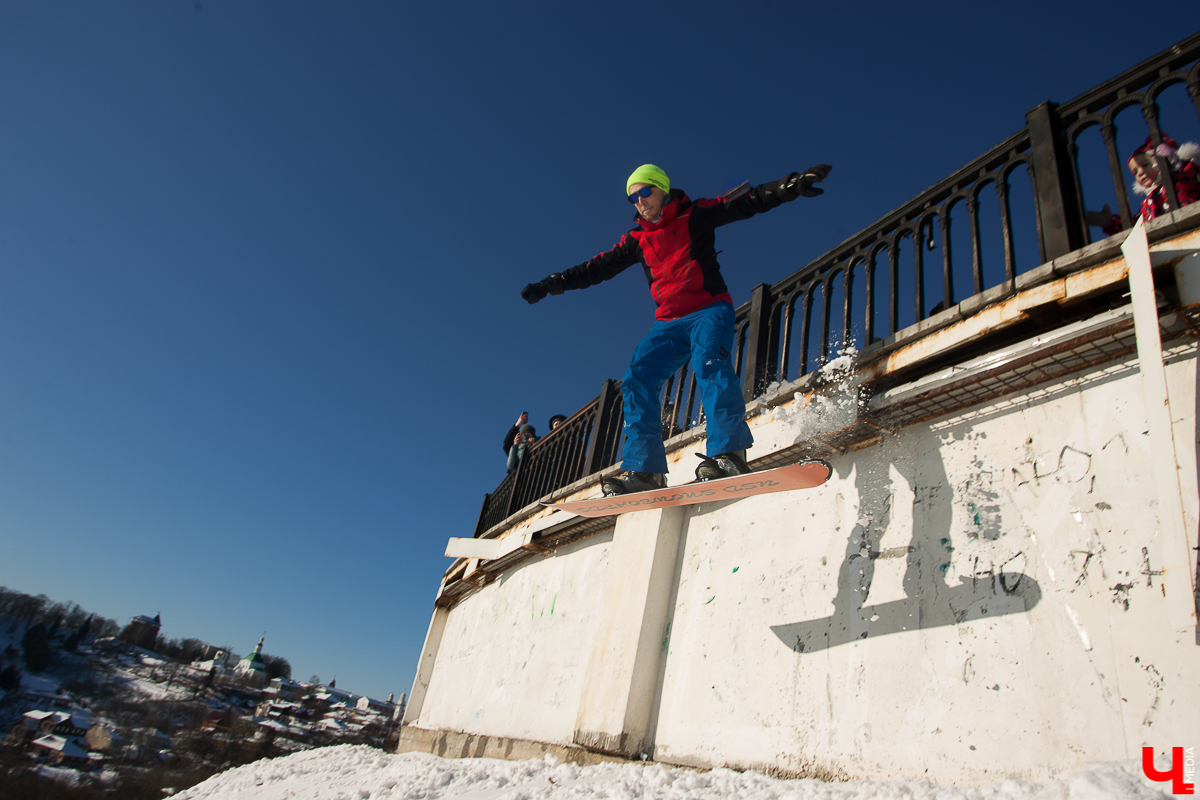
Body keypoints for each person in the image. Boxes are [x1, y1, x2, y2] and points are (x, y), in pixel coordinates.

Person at [521, 162, 831, 496]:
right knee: (636, 378)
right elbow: (595, 268)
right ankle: (645, 471)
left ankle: (729, 454)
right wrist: (550, 284)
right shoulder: (636, 240)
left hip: (709, 309)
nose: (639, 201)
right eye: (632, 198)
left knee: (710, 362)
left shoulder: (695, 214)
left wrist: (788, 186)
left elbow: (745, 202)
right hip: (668, 321)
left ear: (662, 189)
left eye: (644, 192)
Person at [1086, 134, 1199, 236]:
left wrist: (1175, 163)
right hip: (1163, 241)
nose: (1140, 172)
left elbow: (1192, 182)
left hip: (1191, 231)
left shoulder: (1180, 177)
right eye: (1135, 172)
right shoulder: (1146, 203)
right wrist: (1109, 222)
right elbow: (1134, 227)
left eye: (1145, 165)